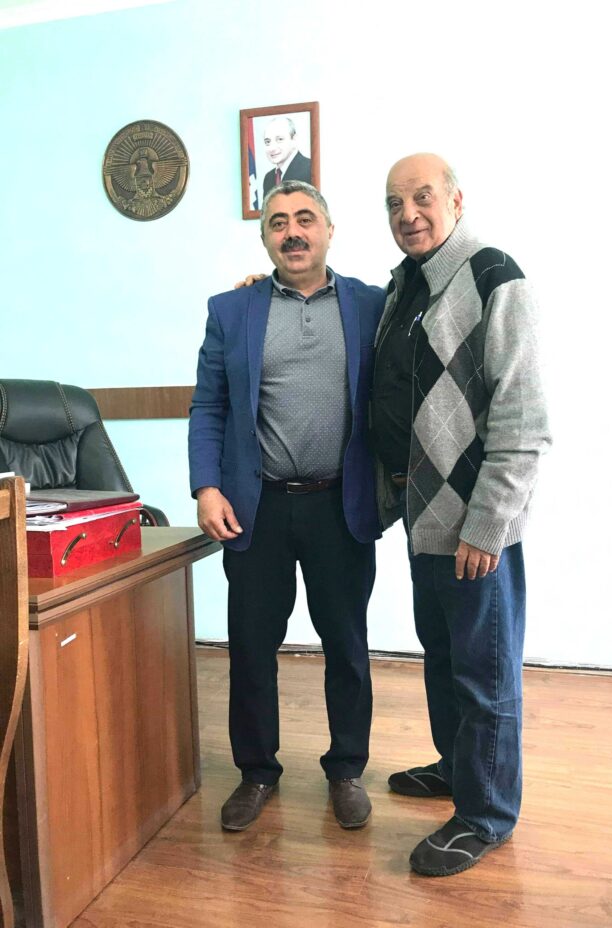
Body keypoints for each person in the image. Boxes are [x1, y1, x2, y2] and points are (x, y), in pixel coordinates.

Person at [373, 152, 551, 876]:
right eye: (394, 203)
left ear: (456, 199)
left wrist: (487, 525)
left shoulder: (493, 276)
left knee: (485, 673)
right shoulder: (404, 286)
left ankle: (485, 815)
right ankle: (458, 769)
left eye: (422, 197)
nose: (408, 213)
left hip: (474, 527)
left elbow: (524, 419)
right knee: (444, 659)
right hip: (423, 521)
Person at [188, 180, 385, 833]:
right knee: (251, 647)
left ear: (328, 229)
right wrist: (206, 486)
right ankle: (256, 773)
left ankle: (347, 769)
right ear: (265, 237)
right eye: (278, 222)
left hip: (340, 506)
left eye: (305, 219)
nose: (292, 231)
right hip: (257, 507)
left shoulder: (372, 305)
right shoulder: (232, 310)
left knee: (347, 645)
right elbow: (209, 405)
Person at [261, 116, 312, 197]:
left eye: (280, 139)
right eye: (267, 142)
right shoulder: (268, 178)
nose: (272, 148)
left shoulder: (310, 170)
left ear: (294, 139)